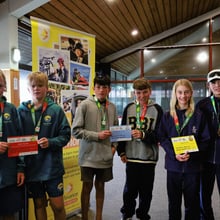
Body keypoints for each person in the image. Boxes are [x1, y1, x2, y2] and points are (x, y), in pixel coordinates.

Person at [17, 71, 71, 220]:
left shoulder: (56, 110)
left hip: (52, 168)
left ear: (46, 88)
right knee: (39, 204)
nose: (36, 88)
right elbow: (17, 141)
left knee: (58, 206)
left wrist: (51, 142)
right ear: (28, 88)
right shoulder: (21, 111)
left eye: (40, 85)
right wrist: (21, 167)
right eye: (33, 86)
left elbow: (66, 135)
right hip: (32, 168)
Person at [158, 79, 210, 220]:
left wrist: (192, 154)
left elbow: (205, 140)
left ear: (191, 93)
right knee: (173, 203)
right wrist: (174, 153)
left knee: (192, 204)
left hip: (193, 167)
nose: (183, 96)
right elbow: (162, 138)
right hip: (173, 167)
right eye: (180, 92)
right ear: (175, 93)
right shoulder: (168, 116)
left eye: (186, 92)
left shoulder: (199, 115)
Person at [72, 74, 118, 220]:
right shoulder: (85, 105)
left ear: (109, 89)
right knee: (87, 188)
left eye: (104, 87)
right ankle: (85, 217)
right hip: (87, 157)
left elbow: (116, 130)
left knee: (100, 186)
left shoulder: (112, 107)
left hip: (105, 156)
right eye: (98, 87)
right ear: (94, 88)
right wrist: (97, 135)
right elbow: (76, 131)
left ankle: (98, 217)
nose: (101, 90)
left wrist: (114, 147)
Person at [117, 78, 163, 220]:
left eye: (144, 92)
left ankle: (143, 215)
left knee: (146, 191)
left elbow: (160, 135)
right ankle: (127, 214)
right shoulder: (128, 108)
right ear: (134, 93)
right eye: (138, 93)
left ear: (150, 91)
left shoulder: (157, 109)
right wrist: (121, 151)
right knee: (129, 190)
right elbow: (122, 131)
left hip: (148, 158)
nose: (141, 96)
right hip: (131, 156)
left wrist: (143, 134)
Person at [0, 70, 25, 220]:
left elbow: (19, 140)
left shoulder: (11, 109)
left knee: (10, 214)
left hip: (9, 174)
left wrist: (21, 168)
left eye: (0, 85)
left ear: (4, 87)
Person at [196, 69, 220, 220]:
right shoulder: (202, 105)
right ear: (208, 85)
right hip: (205, 158)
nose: (217, 85)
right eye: (214, 83)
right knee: (204, 193)